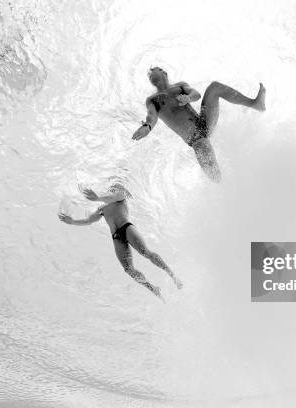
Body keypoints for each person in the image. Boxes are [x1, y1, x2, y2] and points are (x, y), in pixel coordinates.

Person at [132, 67, 266, 182]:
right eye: (150, 74)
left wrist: (188, 98)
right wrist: (147, 127)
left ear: (163, 73)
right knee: (216, 178)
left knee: (214, 87)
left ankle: (255, 104)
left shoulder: (180, 86)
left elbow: (196, 94)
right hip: (195, 138)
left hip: (204, 122)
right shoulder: (152, 100)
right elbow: (151, 116)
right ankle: (232, 195)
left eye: (154, 70)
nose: (150, 72)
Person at [58, 183, 181, 300]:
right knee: (128, 269)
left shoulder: (120, 197)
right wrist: (72, 221)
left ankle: (172, 275)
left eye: (113, 187)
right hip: (116, 237)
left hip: (126, 227)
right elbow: (88, 220)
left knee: (145, 252)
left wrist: (97, 197)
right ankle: (153, 288)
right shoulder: (102, 209)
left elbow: (115, 196)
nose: (111, 188)